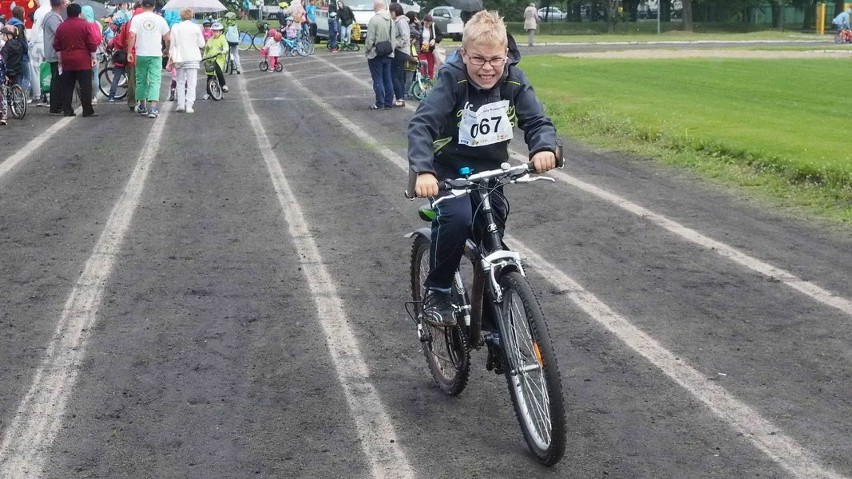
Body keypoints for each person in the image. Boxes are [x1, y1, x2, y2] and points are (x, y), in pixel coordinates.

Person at [406, 10, 558, 324]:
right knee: (458, 218)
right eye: (478, 59)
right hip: (449, 169)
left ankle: (494, 324)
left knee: (492, 235)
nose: (487, 68)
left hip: (491, 170)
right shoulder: (452, 78)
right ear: (464, 54)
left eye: (495, 59)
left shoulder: (515, 78)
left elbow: (537, 120)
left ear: (506, 55)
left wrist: (543, 147)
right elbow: (422, 125)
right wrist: (423, 170)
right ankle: (438, 290)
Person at [53, 2, 99, 117]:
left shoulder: (61, 26)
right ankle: (87, 110)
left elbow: (56, 44)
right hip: (83, 60)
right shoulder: (85, 25)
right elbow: (91, 43)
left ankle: (67, 109)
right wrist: (93, 56)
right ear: (79, 13)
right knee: (85, 86)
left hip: (67, 60)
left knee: (67, 86)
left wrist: (60, 58)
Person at [128, 0, 170, 118]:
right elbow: (167, 37)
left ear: (141, 6)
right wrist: (167, 49)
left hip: (141, 53)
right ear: (154, 6)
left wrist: (129, 51)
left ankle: (142, 106)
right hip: (156, 53)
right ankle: (153, 108)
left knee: (141, 80)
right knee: (155, 80)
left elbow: (131, 35)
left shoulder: (136, 19)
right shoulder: (160, 19)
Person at [168, 7, 204, 112]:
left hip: (179, 57)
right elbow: (202, 44)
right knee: (192, 82)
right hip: (193, 57)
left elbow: (172, 44)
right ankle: (189, 105)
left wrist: (171, 57)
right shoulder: (196, 27)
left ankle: (180, 104)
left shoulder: (175, 27)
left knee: (180, 81)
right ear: (192, 16)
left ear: (181, 16)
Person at [364, 0, 394, 110]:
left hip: (375, 52)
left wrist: (367, 50)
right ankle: (388, 102)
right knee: (388, 78)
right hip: (388, 51)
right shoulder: (390, 20)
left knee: (377, 78)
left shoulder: (374, 20)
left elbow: (370, 38)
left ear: (376, 7)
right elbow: (393, 37)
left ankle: (379, 102)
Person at [42, 0, 65, 115]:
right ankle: (56, 106)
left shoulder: (52, 16)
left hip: (53, 52)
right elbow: (60, 32)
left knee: (57, 79)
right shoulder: (53, 18)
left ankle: (56, 105)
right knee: (57, 80)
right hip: (55, 53)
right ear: (60, 4)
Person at [7, 7, 31, 101]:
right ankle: (19, 97)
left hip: (11, 55)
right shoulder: (20, 25)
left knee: (17, 77)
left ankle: (14, 97)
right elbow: (22, 42)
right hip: (22, 56)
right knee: (27, 77)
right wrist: (26, 49)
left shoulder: (9, 24)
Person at [80, 5, 103, 103]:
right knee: (95, 74)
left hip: (85, 52)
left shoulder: (82, 24)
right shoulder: (97, 23)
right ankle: (94, 97)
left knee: (84, 75)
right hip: (97, 51)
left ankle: (86, 96)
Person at [389, 2, 408, 107]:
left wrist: (395, 43)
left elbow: (405, 37)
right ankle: (401, 98)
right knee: (399, 76)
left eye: (391, 11)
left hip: (400, 51)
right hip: (402, 51)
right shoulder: (400, 21)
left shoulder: (400, 22)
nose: (390, 13)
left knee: (395, 76)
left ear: (395, 11)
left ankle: (400, 98)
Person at [202, 22, 228, 97]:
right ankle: (208, 92)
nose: (215, 33)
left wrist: (224, 51)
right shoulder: (210, 40)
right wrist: (204, 57)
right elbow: (206, 50)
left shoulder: (222, 39)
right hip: (210, 59)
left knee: (218, 71)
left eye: (217, 31)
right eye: (214, 31)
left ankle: (223, 85)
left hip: (219, 59)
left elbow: (225, 46)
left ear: (221, 32)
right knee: (209, 76)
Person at [105, 16, 128, 102]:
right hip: (127, 57)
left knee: (116, 78)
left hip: (119, 58)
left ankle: (111, 96)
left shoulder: (117, 35)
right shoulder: (126, 33)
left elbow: (110, 45)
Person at [417, 14, 441, 79]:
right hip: (421, 49)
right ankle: (422, 80)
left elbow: (440, 35)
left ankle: (430, 81)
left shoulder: (433, 26)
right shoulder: (420, 26)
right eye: (426, 23)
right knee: (422, 67)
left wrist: (434, 40)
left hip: (430, 50)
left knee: (430, 67)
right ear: (424, 21)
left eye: (429, 23)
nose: (428, 25)